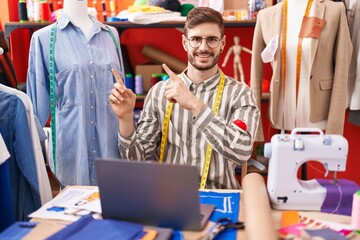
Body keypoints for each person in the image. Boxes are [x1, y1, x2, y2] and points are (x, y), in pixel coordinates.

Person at [109, 7, 260, 189]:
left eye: (212, 40)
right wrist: (125, 119)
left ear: (222, 43)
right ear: (185, 42)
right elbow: (134, 159)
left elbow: (242, 151)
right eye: (196, 39)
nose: (203, 47)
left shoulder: (241, 94)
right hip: (168, 195)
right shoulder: (159, 92)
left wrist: (195, 105)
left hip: (219, 195)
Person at [26, 0, 125, 186]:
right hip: (72, 152)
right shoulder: (44, 38)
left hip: (110, 150)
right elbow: (36, 108)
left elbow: (122, 96)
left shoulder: (111, 35)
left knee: (112, 212)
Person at [250, 0, 352, 141]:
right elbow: (255, 73)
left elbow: (342, 68)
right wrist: (256, 128)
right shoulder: (265, 16)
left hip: (318, 111)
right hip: (281, 111)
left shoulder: (334, 11)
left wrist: (335, 128)